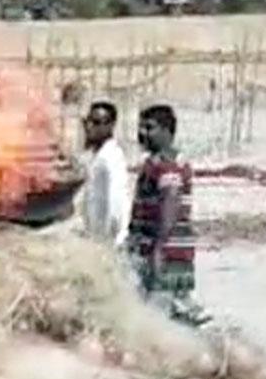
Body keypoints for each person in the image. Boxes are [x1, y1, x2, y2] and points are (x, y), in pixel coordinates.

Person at [127, 105, 202, 324]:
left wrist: (158, 249)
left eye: (149, 128)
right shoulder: (158, 162)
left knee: (155, 318)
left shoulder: (168, 165)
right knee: (172, 315)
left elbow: (170, 201)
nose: (142, 133)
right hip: (168, 251)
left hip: (164, 254)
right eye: (141, 127)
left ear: (167, 131)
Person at [76, 100, 131, 247]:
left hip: (108, 240)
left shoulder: (110, 157)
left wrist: (110, 240)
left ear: (110, 125)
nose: (90, 127)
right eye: (88, 122)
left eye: (96, 122)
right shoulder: (98, 155)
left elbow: (116, 200)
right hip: (96, 237)